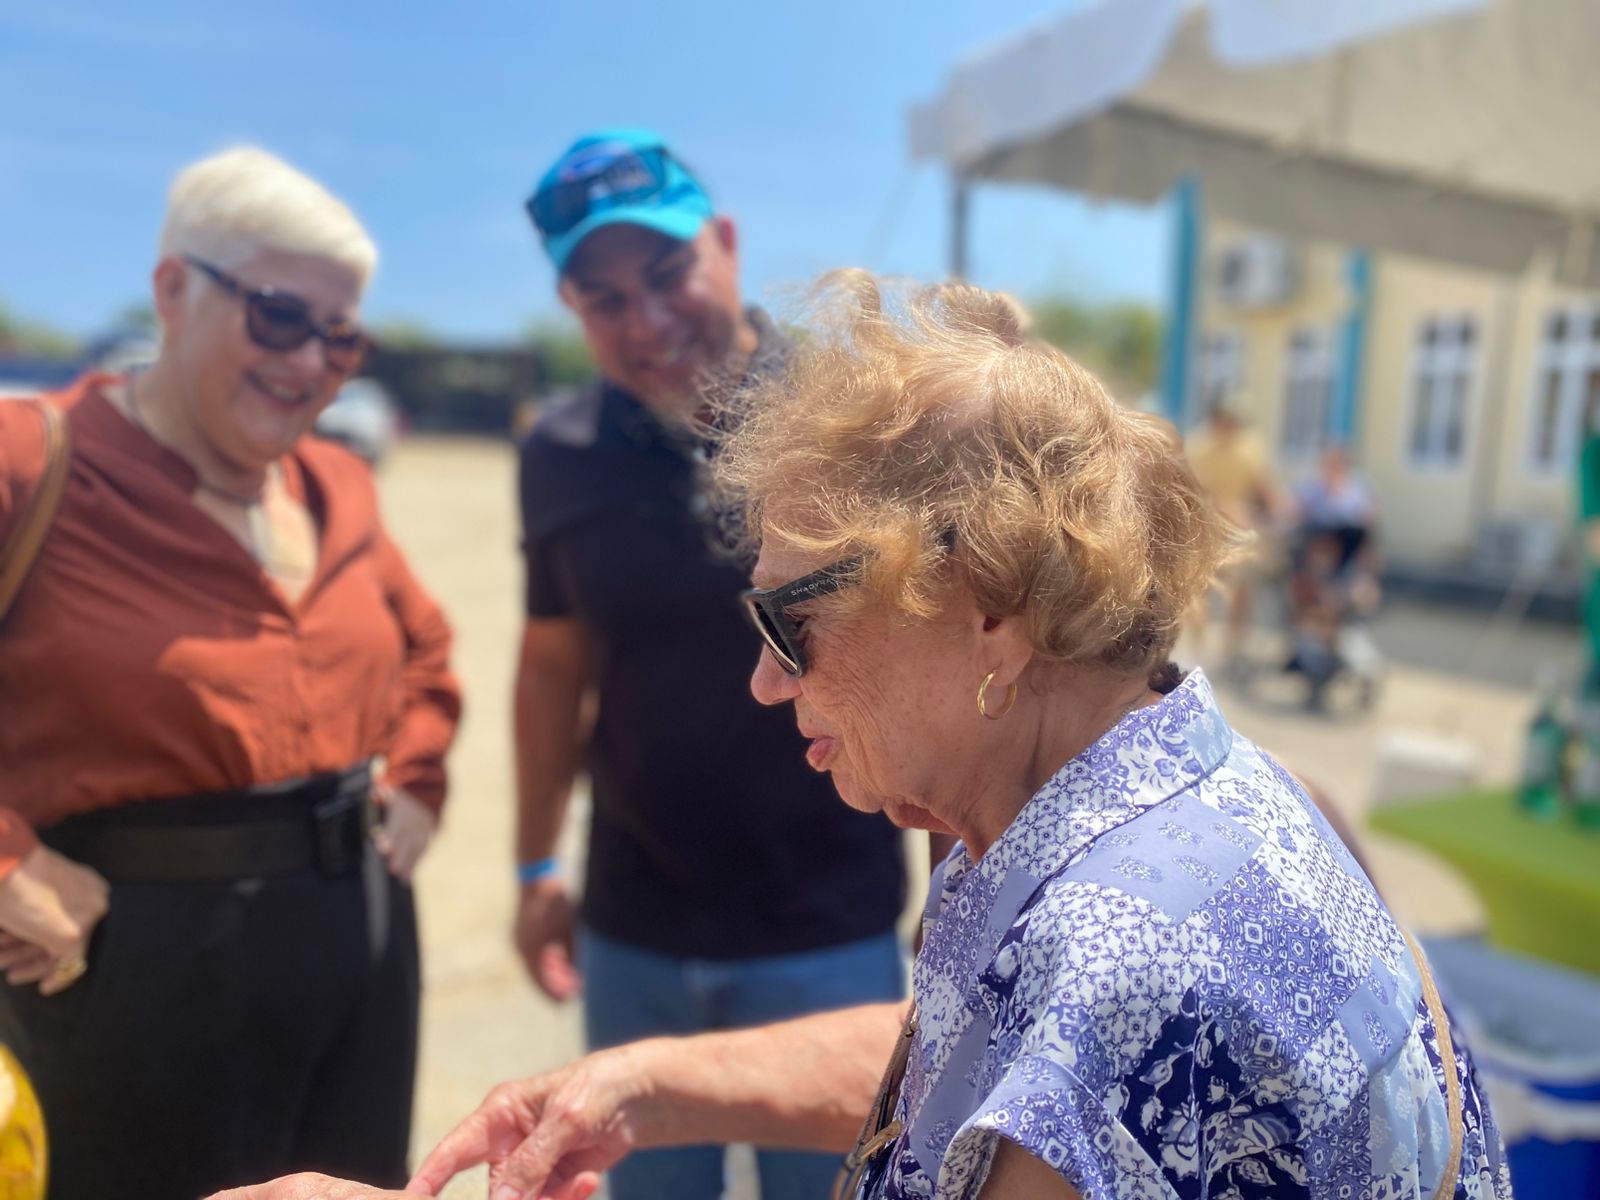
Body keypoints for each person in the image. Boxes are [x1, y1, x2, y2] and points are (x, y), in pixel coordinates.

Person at [238, 275, 1511, 1200]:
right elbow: (986, 1068)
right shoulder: (1164, 790)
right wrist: (643, 1086)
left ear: (993, 614)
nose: (759, 680)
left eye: (790, 623)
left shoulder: (1123, 968)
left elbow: (1075, 1049)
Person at [0, 146, 461, 1198]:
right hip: (122, 970)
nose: (309, 364)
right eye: (279, 316)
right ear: (172, 290)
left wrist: (420, 780)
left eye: (340, 338)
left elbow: (427, 651)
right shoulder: (31, 459)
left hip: (361, 951)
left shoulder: (338, 482)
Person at [508, 130, 908, 1198]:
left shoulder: (848, 415)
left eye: (666, 272)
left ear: (724, 244)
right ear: (572, 311)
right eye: (603, 299)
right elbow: (551, 665)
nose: (645, 320)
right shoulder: (559, 453)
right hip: (634, 932)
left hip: (828, 929)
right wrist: (533, 866)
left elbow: (944, 645)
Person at [1184, 407, 1286, 675]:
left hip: (1239, 532)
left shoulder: (1249, 447)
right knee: (1199, 592)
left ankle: (1233, 649)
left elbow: (1262, 484)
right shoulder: (1199, 446)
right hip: (1205, 530)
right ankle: (1198, 651)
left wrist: (1281, 506)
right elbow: (1193, 491)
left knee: (1243, 590)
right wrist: (1225, 507)